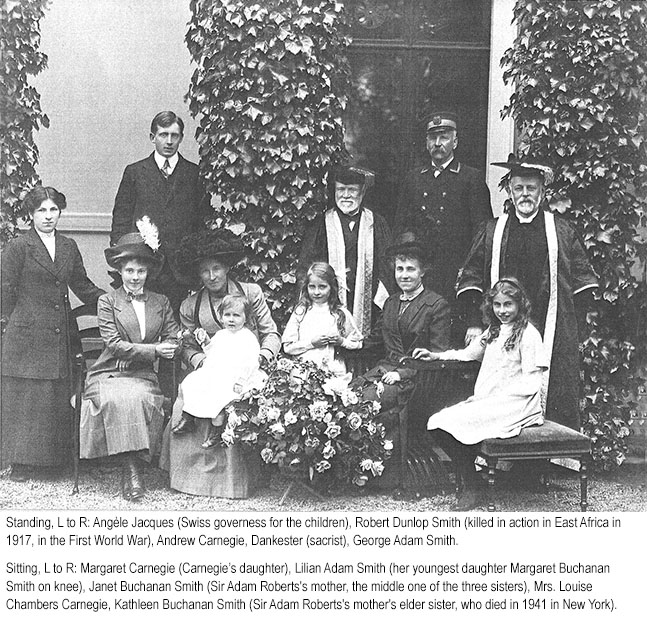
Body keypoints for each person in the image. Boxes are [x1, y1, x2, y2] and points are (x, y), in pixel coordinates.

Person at [456, 155, 598, 430]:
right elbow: (471, 274)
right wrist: (475, 320)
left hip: (548, 325)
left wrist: (571, 326)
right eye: (518, 188)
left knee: (550, 388)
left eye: (531, 188)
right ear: (509, 190)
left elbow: (583, 281)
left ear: (542, 192)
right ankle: (502, 456)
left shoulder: (561, 230)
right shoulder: (492, 230)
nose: (524, 194)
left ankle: (543, 456)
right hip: (504, 325)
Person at [161, 228, 281, 498]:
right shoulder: (191, 305)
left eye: (217, 268)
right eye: (205, 271)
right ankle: (190, 478)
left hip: (247, 366)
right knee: (190, 391)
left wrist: (262, 357)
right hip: (211, 366)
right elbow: (186, 345)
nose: (212, 276)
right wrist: (201, 359)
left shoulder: (250, 293)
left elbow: (271, 332)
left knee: (236, 397)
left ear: (227, 267)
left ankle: (237, 480)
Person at [414, 278, 546, 510]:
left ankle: (474, 487)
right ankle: (474, 480)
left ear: (520, 305)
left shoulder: (528, 333)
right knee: (437, 423)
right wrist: (437, 356)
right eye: (497, 305)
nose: (503, 311)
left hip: (518, 403)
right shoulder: (493, 331)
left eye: (508, 305)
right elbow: (467, 354)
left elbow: (531, 382)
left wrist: (498, 398)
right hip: (490, 400)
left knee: (460, 422)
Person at [1, 186, 104, 481]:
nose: (48, 216)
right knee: (28, 397)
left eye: (53, 210)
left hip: (60, 332)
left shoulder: (69, 246)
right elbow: (5, 290)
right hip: (27, 333)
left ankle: (55, 461)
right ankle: (23, 462)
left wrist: (112, 300)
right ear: (31, 215)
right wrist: (15, 323)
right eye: (41, 211)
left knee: (55, 396)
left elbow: (82, 285)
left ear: (60, 212)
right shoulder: (19, 247)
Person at [79, 231, 179, 501]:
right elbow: (113, 344)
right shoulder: (107, 302)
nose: (135, 277)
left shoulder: (161, 302)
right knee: (119, 398)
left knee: (140, 397)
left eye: (141, 271)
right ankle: (132, 469)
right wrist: (152, 350)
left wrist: (138, 354)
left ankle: (129, 465)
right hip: (109, 372)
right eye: (130, 271)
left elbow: (173, 339)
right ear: (120, 271)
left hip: (143, 375)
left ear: (149, 273)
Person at [352, 232, 451, 487]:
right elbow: (376, 339)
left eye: (410, 269)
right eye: (399, 269)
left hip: (418, 380)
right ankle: (359, 466)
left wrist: (404, 373)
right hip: (386, 370)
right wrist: (346, 344)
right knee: (351, 394)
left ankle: (385, 474)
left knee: (371, 400)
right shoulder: (392, 302)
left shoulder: (435, 304)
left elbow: (438, 355)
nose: (404, 275)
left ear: (422, 272)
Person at [395, 111, 492, 344]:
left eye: (444, 137)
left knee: (454, 345)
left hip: (458, 278)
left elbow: (482, 239)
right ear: (427, 142)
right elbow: (401, 228)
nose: (438, 143)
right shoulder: (413, 179)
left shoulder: (471, 179)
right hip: (422, 278)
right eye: (433, 138)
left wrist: (475, 317)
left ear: (455, 142)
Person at [110, 111, 211, 312]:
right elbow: (121, 218)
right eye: (163, 135)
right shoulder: (135, 172)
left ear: (181, 138)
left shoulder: (194, 174)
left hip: (180, 271)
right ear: (152, 137)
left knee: (177, 327)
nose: (169, 141)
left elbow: (201, 222)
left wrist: (195, 262)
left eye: (174, 136)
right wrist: (124, 259)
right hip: (143, 265)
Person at [298, 164, 393, 336]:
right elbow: (307, 265)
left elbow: (388, 265)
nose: (346, 195)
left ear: (362, 192)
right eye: (341, 189)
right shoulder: (321, 225)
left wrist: (380, 299)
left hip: (368, 302)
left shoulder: (377, 223)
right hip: (329, 300)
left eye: (352, 189)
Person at [179, 294, 263, 449]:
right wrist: (205, 342)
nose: (231, 319)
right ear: (221, 317)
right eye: (227, 315)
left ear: (246, 317)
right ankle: (188, 418)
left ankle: (216, 432)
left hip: (237, 376)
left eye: (236, 315)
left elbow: (251, 362)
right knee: (192, 382)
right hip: (219, 371)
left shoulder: (248, 338)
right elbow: (212, 353)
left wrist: (241, 380)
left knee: (220, 395)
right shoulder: (221, 334)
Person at [282, 262, 363, 377]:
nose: (316, 292)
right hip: (304, 371)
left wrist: (342, 341)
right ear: (306, 287)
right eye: (312, 287)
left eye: (322, 287)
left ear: (332, 287)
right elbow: (288, 347)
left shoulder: (340, 313)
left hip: (333, 371)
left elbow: (358, 343)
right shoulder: (301, 312)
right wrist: (311, 343)